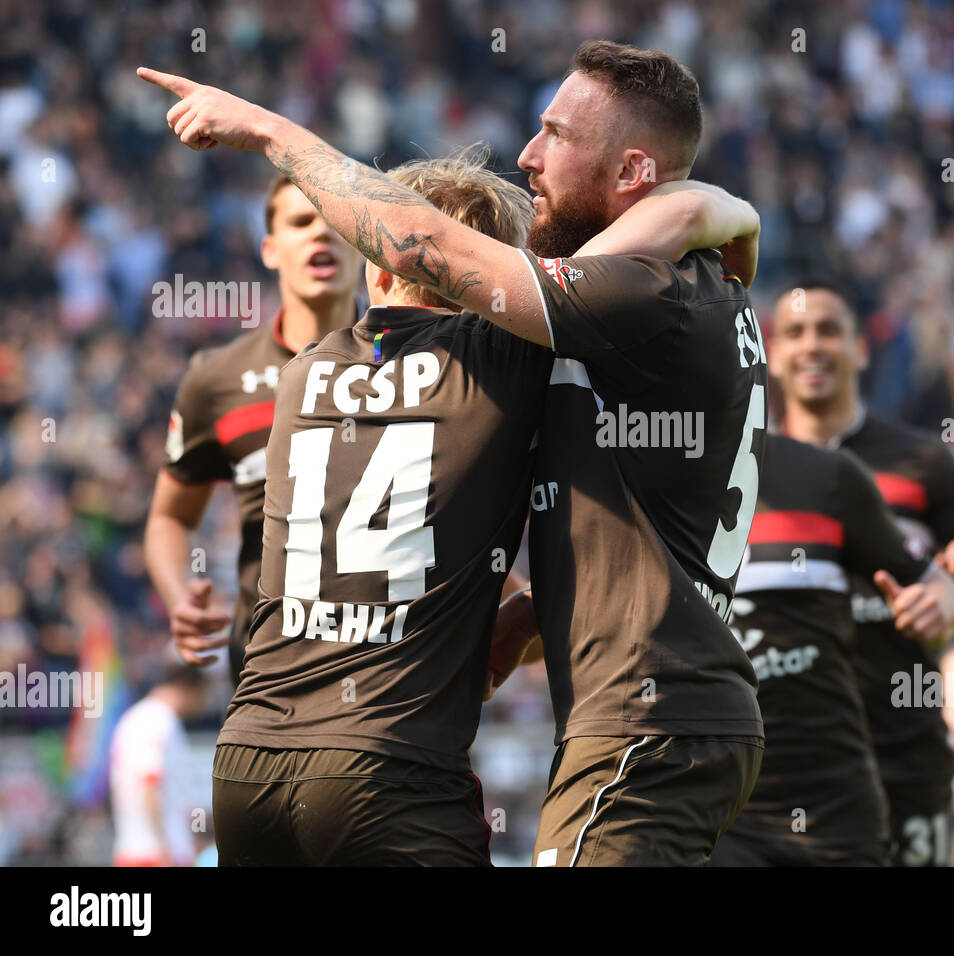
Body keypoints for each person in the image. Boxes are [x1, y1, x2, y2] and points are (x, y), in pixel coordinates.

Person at [139, 38, 769, 867]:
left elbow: (420, 248)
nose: (528, 154)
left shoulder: (298, 374)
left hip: (267, 754)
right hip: (464, 755)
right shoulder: (591, 325)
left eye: (555, 135)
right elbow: (619, 521)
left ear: (632, 171)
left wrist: (263, 129)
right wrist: (724, 213)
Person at [767, 278, 954, 866]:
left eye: (829, 329)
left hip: (904, 760)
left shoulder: (924, 461)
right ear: (773, 354)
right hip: (787, 773)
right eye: (795, 333)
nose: (812, 345)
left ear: (861, 349)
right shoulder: (746, 474)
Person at [144, 176, 363, 683]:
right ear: (270, 249)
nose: (321, 235)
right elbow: (169, 518)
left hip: (388, 681)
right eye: (301, 222)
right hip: (263, 681)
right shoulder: (217, 378)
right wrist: (180, 600)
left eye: (335, 222)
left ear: (361, 242)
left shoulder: (416, 365)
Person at [709, 434, 954, 866]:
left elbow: (933, 586)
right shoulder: (634, 477)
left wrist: (942, 607)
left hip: (836, 807)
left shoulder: (827, 474)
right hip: (716, 807)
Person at [109, 663, 207, 867]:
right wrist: (165, 848)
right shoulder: (158, 720)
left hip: (140, 848)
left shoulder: (141, 717)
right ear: (188, 687)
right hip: (154, 855)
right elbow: (150, 784)